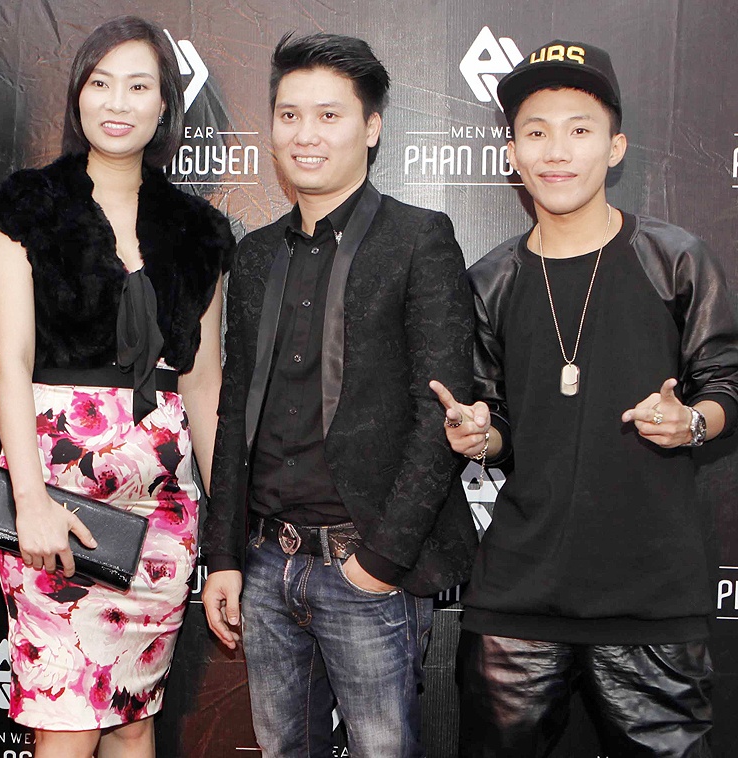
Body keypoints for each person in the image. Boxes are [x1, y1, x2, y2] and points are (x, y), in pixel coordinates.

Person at [431, 39, 738, 757]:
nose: (557, 150)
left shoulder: (676, 259)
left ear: (615, 147)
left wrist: (694, 422)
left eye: (579, 128)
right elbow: (499, 421)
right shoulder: (491, 280)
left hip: (650, 596)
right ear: (512, 152)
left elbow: (727, 379)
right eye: (536, 131)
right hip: (516, 598)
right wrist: (479, 434)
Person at [202, 32, 477, 757]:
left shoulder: (418, 239)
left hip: (366, 567)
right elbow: (234, 411)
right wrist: (223, 554)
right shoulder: (255, 253)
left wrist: (380, 562)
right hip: (267, 565)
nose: (306, 134)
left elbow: (441, 414)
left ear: (372, 127)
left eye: (329, 115)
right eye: (290, 115)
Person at [0, 16, 233, 758]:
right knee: (65, 724)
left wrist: (224, 535)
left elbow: (204, 383)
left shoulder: (199, 231)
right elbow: (11, 365)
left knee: (133, 718)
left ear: (165, 106)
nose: (118, 102)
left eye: (139, 86)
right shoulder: (26, 211)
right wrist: (31, 502)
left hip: (164, 513)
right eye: (100, 83)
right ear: (78, 95)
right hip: (56, 500)